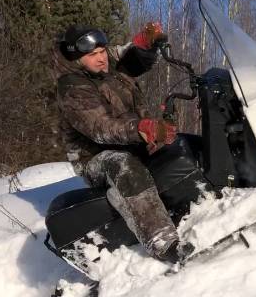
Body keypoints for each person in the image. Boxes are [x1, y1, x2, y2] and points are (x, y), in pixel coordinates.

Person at [51, 23, 194, 263]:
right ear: (77, 59)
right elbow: (101, 128)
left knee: (180, 145)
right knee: (123, 165)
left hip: (131, 141)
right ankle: (163, 243)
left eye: (102, 52)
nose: (100, 59)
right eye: (92, 55)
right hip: (96, 158)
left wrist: (145, 45)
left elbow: (132, 59)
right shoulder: (72, 87)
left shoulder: (108, 66)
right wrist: (141, 129)